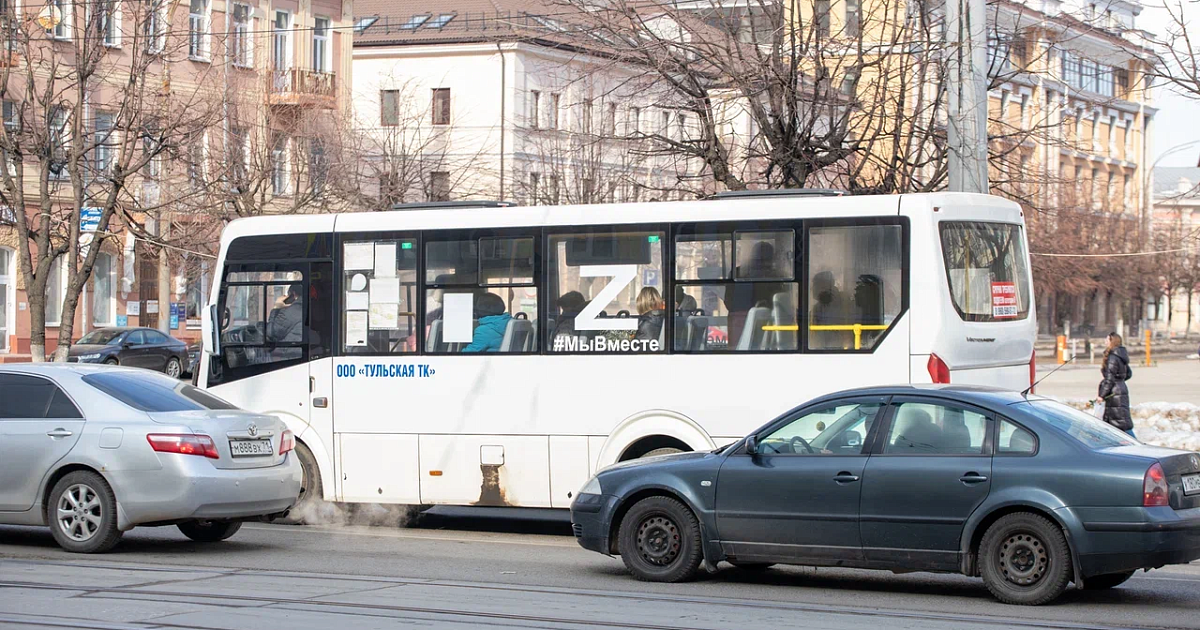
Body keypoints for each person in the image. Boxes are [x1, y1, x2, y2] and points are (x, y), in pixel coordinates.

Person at [1096, 332, 1134, 437]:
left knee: (1119, 422)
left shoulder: (1112, 357)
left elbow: (1109, 379)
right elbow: (1129, 374)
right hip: (1120, 389)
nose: (1105, 341)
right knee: (1119, 420)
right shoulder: (1122, 355)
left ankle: (1136, 444)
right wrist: (1120, 381)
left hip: (1114, 392)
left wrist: (1101, 395)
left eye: (1107, 339)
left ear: (1112, 341)